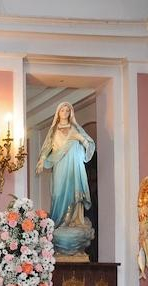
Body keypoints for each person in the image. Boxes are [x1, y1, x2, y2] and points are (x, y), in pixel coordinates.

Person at [35, 102, 95, 255]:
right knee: (58, 194)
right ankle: (59, 222)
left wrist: (80, 138)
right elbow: (46, 149)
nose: (65, 112)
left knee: (73, 196)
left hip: (74, 168)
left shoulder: (75, 129)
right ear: (58, 112)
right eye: (62, 109)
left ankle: (72, 221)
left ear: (70, 113)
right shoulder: (54, 130)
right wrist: (42, 160)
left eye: (68, 110)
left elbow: (89, 145)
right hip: (60, 168)